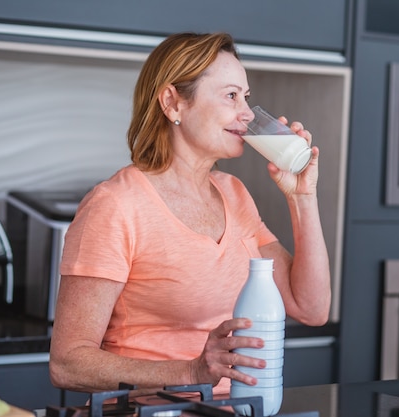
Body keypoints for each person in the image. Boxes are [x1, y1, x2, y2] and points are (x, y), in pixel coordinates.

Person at [49, 32, 331, 395]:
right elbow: (68, 363)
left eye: (246, 98)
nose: (246, 114)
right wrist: (191, 371)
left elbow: (311, 308)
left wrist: (303, 197)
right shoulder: (115, 205)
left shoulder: (233, 193)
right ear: (173, 103)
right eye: (231, 96)